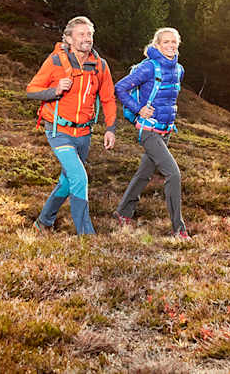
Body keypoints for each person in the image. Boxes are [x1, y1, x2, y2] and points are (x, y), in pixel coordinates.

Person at [26, 16, 117, 235]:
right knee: (79, 178)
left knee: (67, 181)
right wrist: (55, 89)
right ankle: (87, 237)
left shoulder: (100, 65)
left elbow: (108, 98)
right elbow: (31, 90)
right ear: (68, 38)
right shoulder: (56, 61)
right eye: (81, 34)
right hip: (59, 131)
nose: (87, 39)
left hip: (84, 133)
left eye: (90, 34)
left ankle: (43, 222)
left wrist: (110, 128)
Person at [114, 27, 189, 238]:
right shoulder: (148, 68)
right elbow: (120, 87)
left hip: (166, 131)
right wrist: (139, 109)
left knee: (144, 173)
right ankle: (179, 230)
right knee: (173, 174)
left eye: (174, 42)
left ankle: (122, 213)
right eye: (166, 42)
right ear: (157, 45)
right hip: (148, 130)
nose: (171, 46)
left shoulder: (179, 69)